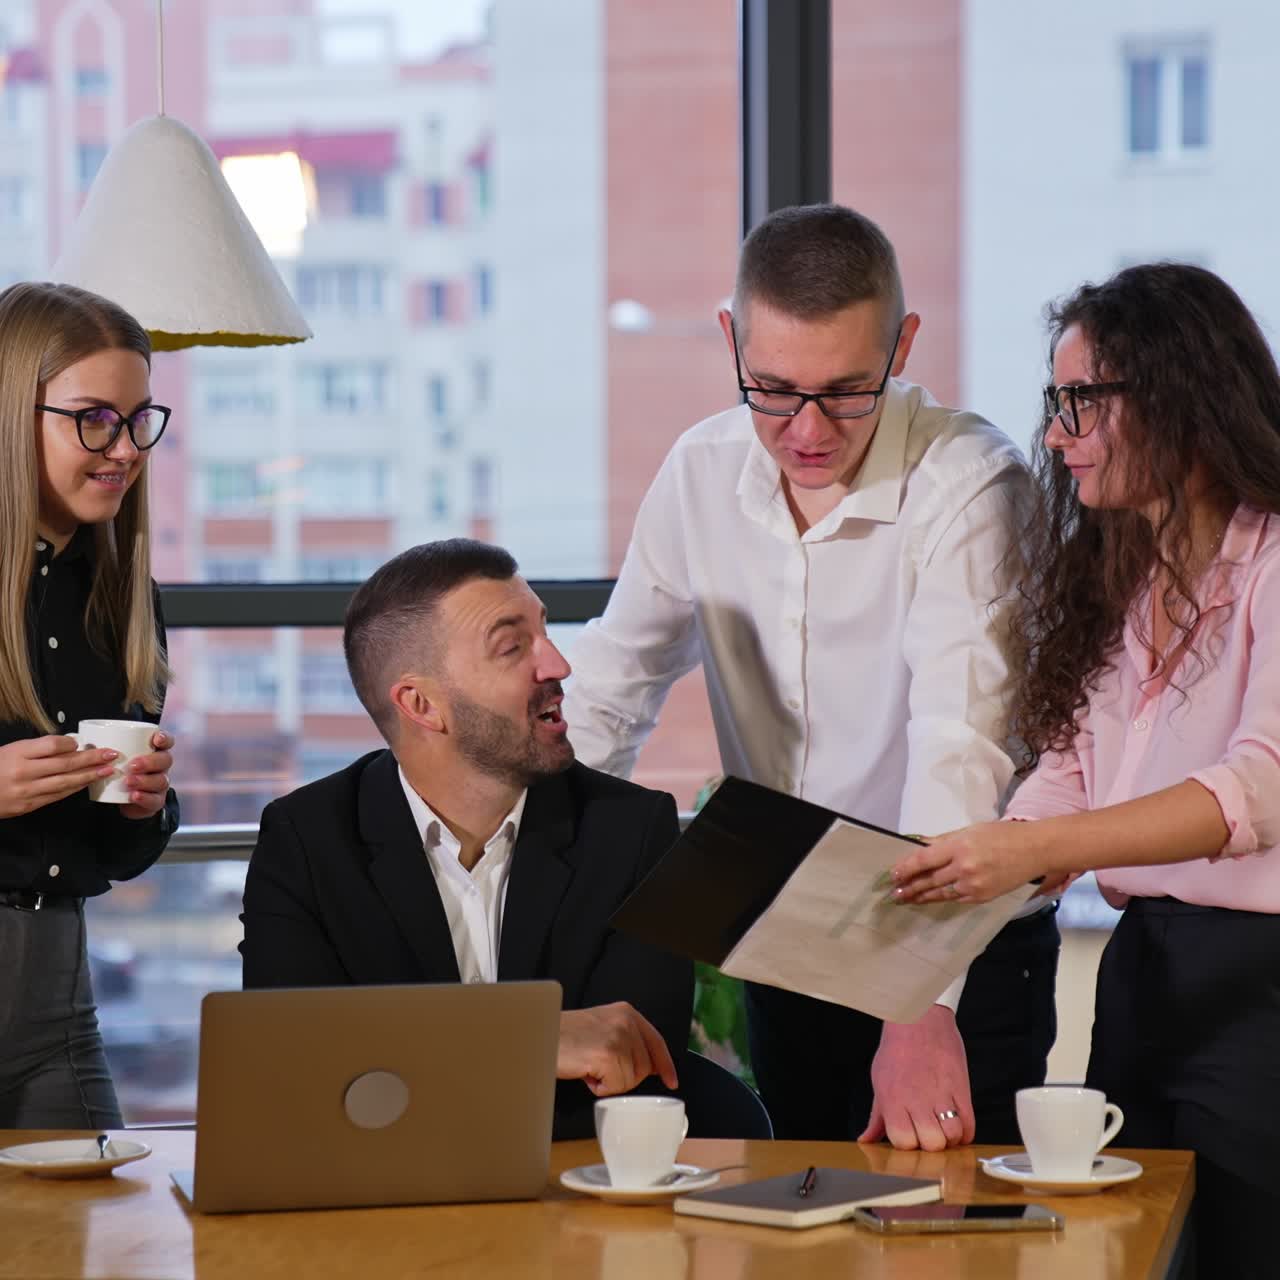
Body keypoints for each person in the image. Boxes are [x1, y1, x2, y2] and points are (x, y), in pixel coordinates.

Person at [562, 203, 1059, 1151]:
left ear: (903, 344)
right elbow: (607, 695)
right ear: (731, 341)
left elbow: (959, 744)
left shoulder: (972, 482)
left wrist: (918, 1000)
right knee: (800, 1214)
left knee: (946, 1233)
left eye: (847, 390)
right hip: (789, 923)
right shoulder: (700, 470)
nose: (808, 430)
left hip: (960, 948)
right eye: (774, 390)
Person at [890, 261, 1280, 1276]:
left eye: (1080, 403)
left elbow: (1256, 788)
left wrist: (1038, 847)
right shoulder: (1124, 575)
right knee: (1137, 1249)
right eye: (1052, 403)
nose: (1055, 435)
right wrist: (967, 868)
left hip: (1257, 989)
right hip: (1142, 966)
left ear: (1178, 393)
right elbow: (1065, 771)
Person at [240, 539, 693, 1141]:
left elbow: (630, 1064)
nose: (557, 665)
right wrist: (535, 1041)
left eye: (545, 631)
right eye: (513, 647)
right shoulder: (306, 840)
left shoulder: (634, 831)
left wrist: (394, 1054)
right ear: (422, 704)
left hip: (571, 1200)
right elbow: (292, 1063)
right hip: (376, 1200)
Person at [0, 282, 180, 1129]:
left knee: (93, 1254)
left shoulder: (121, 598)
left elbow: (116, 853)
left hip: (58, 1012)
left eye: (139, 418)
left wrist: (146, 806)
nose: (124, 448)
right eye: (94, 418)